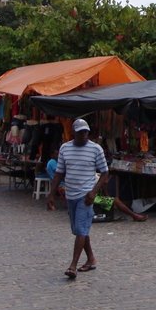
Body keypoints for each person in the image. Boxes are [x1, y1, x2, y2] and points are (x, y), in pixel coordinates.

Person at [47, 119, 109, 279]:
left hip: (86, 195)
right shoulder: (65, 148)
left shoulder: (96, 149)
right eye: (80, 132)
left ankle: (73, 265)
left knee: (81, 229)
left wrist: (94, 192)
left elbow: (105, 173)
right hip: (71, 194)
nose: (83, 135)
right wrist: (51, 194)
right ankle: (91, 259)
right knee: (79, 229)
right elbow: (59, 172)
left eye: (85, 132)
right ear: (73, 132)